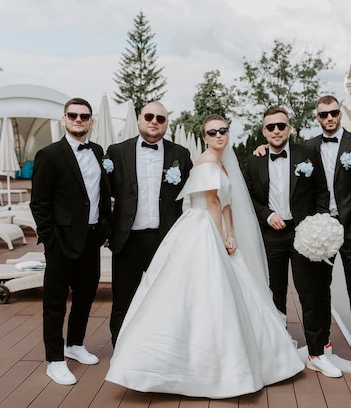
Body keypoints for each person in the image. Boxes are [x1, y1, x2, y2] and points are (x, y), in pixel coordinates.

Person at [105, 114, 304, 398]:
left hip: (217, 227)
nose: (218, 136)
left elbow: (226, 206)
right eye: (212, 132)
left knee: (229, 293)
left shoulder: (223, 163)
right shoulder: (207, 162)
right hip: (202, 229)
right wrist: (220, 237)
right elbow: (211, 202)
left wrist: (231, 235)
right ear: (204, 137)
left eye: (223, 130)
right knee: (198, 295)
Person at [244, 106, 341, 378]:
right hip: (271, 236)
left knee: (309, 293)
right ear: (264, 132)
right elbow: (249, 197)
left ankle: (317, 353)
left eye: (281, 126)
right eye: (271, 127)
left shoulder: (307, 154)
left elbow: (323, 191)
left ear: (290, 128)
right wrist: (267, 215)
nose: (276, 130)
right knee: (274, 294)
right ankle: (278, 348)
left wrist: (317, 223)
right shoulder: (253, 160)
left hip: (302, 234)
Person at [30, 97, 112, 385]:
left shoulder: (99, 151)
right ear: (64, 120)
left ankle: (74, 344)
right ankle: (54, 359)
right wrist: (50, 240)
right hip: (61, 241)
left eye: (84, 115)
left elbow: (101, 193)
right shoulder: (49, 155)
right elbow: (39, 203)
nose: (79, 119)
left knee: (85, 295)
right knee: (54, 302)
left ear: (91, 121)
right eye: (73, 115)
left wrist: (104, 228)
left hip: (91, 239)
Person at [106, 101, 192, 346]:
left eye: (161, 118)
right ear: (139, 119)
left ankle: (162, 347)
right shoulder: (116, 152)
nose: (154, 121)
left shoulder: (181, 155)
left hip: (165, 240)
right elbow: (102, 193)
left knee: (166, 298)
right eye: (149, 116)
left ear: (166, 124)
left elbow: (196, 191)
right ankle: (120, 349)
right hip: (128, 240)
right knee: (123, 299)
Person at [307, 95, 351, 375]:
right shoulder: (310, 146)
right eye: (324, 114)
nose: (329, 118)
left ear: (340, 114)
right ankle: (323, 345)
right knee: (319, 288)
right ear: (317, 117)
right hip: (322, 229)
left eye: (334, 113)